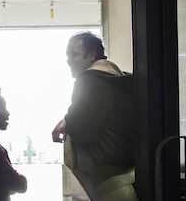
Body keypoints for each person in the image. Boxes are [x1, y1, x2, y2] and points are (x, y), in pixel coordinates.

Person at [52, 31, 135, 187]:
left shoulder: (90, 79)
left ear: (91, 55)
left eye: (73, 55)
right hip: (128, 172)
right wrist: (66, 120)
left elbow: (79, 130)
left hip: (104, 175)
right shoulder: (118, 79)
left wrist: (67, 123)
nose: (68, 61)